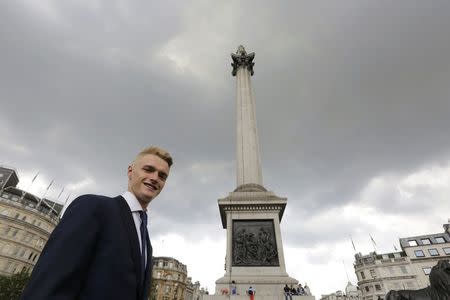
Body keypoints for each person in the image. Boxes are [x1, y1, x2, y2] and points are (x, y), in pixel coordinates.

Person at [20, 146, 173, 300]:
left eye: (162, 176)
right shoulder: (93, 207)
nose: (155, 178)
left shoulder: (146, 240)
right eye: (148, 169)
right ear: (130, 171)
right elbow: (49, 283)